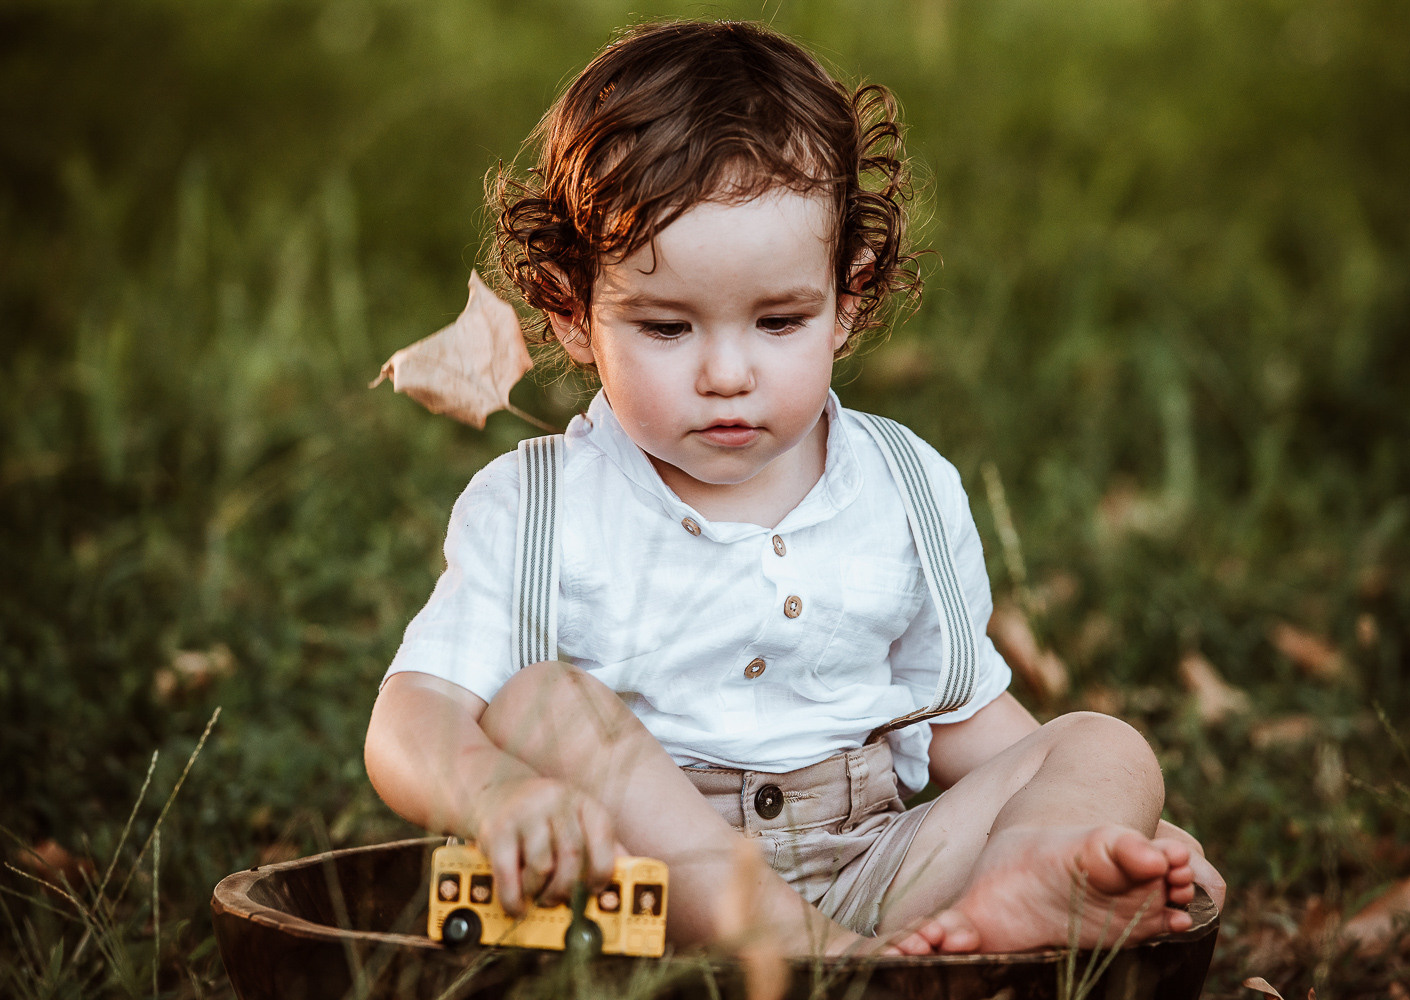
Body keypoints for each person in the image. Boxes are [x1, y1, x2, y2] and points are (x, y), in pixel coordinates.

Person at [365, 19, 1223, 957]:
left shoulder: (900, 485)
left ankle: (1029, 887)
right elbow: (411, 720)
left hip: (870, 870)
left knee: (1103, 744)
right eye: (665, 328)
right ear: (574, 313)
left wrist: (1082, 818)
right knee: (540, 704)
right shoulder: (538, 505)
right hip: (649, 903)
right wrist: (498, 790)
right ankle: (821, 967)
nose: (726, 373)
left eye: (778, 321)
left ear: (847, 296)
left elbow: (958, 721)